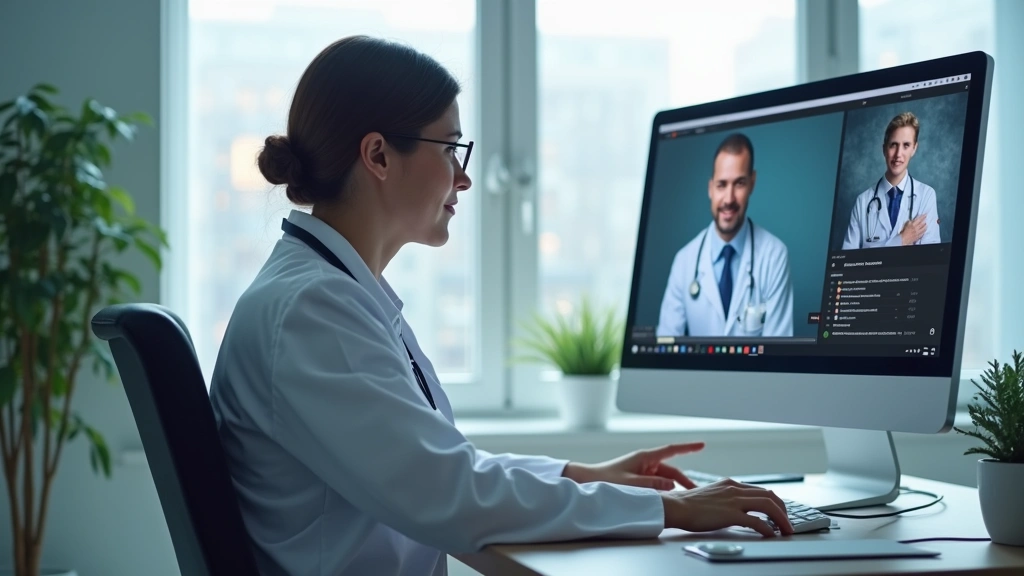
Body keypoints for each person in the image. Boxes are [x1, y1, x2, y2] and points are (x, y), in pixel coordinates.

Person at [207, 36, 793, 576]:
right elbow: (451, 493)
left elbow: (440, 465)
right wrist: (669, 508)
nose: (462, 178)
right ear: (379, 156)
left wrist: (587, 476)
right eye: (450, 148)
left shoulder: (330, 291)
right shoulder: (312, 310)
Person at [657, 133, 793, 338]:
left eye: (739, 183)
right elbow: (664, 345)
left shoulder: (774, 256)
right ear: (710, 188)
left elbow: (778, 356)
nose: (728, 199)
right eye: (721, 185)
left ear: (752, 183)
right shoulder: (684, 261)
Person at [842, 111, 940, 249]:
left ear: (914, 148)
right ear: (884, 149)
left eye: (906, 145)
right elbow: (849, 264)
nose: (898, 154)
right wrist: (902, 239)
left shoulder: (926, 195)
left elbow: (930, 258)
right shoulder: (863, 202)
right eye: (893, 145)